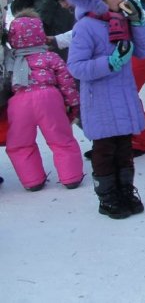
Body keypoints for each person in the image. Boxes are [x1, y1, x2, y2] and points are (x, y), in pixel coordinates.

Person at [66, 0, 145, 219]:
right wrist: (110, 63)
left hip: (123, 96)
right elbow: (76, 66)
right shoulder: (85, 27)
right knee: (105, 150)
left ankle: (125, 190)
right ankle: (108, 196)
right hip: (100, 101)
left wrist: (137, 22)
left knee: (124, 148)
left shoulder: (121, 20)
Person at [3, 10, 84, 191]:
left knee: (20, 144)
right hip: (48, 98)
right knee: (61, 139)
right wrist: (73, 104)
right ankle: (71, 177)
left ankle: (32, 180)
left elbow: (5, 82)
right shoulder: (50, 57)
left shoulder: (10, 59)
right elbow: (66, 82)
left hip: (19, 102)